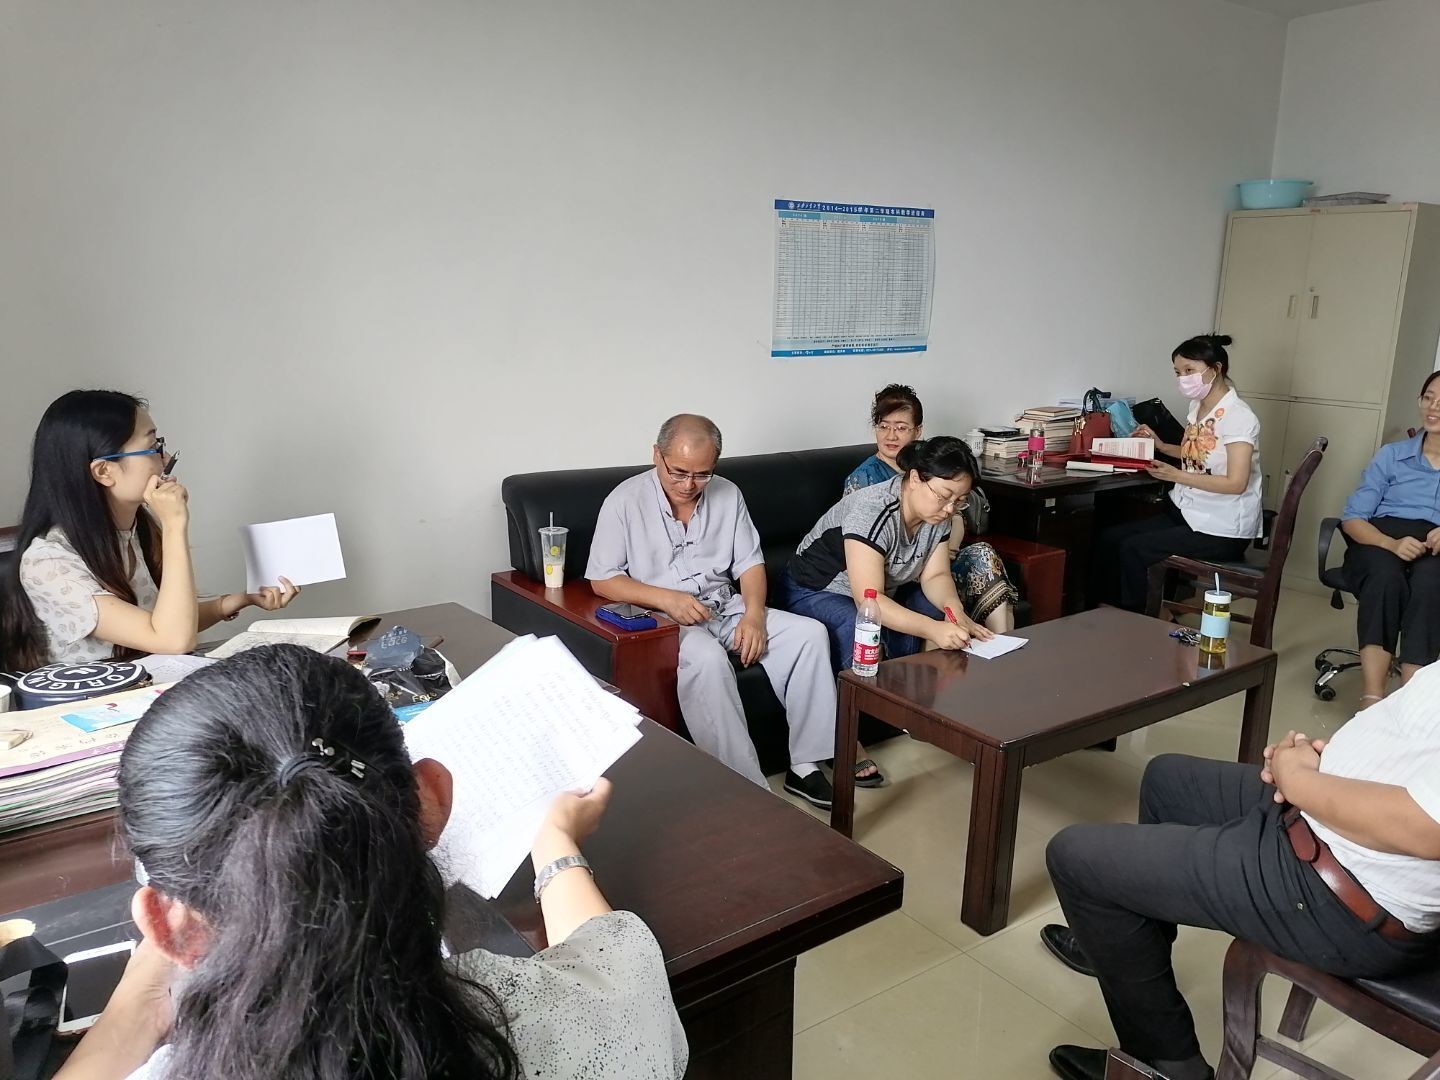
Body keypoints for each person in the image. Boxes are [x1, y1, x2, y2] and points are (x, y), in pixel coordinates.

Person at [54, 644, 687, 1080]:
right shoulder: (585, 1021)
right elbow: (610, 958)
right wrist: (555, 843)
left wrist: (144, 996)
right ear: (432, 798)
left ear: (168, 928)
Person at [1039, 671, 1440, 1080]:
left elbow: (1425, 828)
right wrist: (1315, 758)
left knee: (1075, 860)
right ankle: (1122, 958)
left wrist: (1298, 779)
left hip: (1344, 895)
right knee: (1166, 781)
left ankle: (1166, 1066)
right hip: (1322, 821)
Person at [586, 414, 842, 809]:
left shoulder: (728, 494)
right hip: (664, 618)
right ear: (656, 455)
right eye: (679, 472)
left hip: (725, 605)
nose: (689, 485)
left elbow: (750, 564)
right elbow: (602, 579)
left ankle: (805, 767)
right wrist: (666, 599)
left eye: (702, 474)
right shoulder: (624, 501)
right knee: (707, 659)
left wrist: (754, 615)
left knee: (809, 635)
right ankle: (744, 788)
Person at [1, 390, 299, 673]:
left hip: (146, 686)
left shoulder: (133, 531)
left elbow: (162, 624)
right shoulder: (48, 562)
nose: (166, 459)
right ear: (104, 471)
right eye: (153, 447)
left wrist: (236, 601)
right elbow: (171, 639)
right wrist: (174, 525)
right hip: (91, 704)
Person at [777, 435, 996, 680]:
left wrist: (954, 611)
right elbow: (868, 600)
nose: (949, 509)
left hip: (881, 591)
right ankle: (867, 698)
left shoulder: (938, 515)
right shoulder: (872, 511)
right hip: (813, 590)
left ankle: (920, 694)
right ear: (915, 478)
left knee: (933, 608)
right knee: (861, 628)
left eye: (959, 501)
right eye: (944, 496)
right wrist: (933, 630)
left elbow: (936, 575)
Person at [1096, 334, 1263, 612]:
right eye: (1178, 372)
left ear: (1216, 368)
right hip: (1189, 512)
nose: (1183, 378)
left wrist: (1176, 475)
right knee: (1109, 538)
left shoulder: (1239, 416)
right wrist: (1161, 446)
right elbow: (1199, 453)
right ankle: (1105, 612)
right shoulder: (1198, 407)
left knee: (1133, 548)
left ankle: (1138, 620)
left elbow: (1236, 483)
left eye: (1189, 370)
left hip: (1221, 528)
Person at [843, 384, 1017, 631]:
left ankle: (1001, 641)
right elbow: (864, 547)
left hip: (936, 559)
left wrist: (948, 550)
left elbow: (954, 517)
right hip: (897, 568)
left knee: (983, 554)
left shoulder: (933, 465)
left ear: (918, 430)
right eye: (883, 426)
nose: (891, 436)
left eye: (901, 428)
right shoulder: (864, 481)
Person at [1337, 370, 1440, 708]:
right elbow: (1353, 519)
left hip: (1434, 550)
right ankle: (1372, 699)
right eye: (1428, 398)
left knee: (1430, 583)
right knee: (1385, 577)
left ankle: (1411, 702)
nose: (1433, 407)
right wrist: (1391, 544)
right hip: (1380, 539)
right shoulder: (1392, 456)